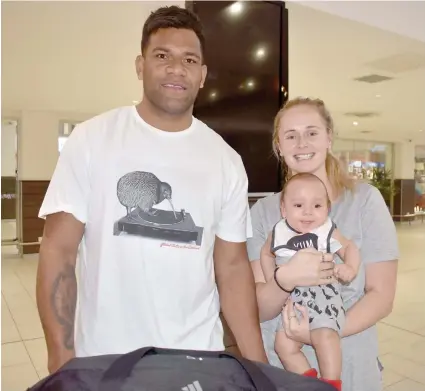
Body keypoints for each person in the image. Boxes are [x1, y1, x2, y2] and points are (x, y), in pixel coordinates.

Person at [36, 5, 267, 374]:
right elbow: (58, 250)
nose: (177, 68)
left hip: (197, 358)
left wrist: (258, 367)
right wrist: (61, 361)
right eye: (163, 56)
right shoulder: (92, 139)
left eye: (189, 59)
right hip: (105, 359)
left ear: (203, 75)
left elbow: (233, 267)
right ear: (141, 65)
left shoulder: (226, 161)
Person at [248, 97, 398, 391]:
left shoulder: (364, 202)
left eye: (312, 132)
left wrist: (322, 331)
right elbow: (259, 308)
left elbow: (382, 296)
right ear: (279, 146)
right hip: (282, 374)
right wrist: (284, 279)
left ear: (329, 137)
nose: (301, 143)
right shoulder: (263, 213)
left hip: (351, 368)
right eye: (290, 135)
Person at [260, 172, 360, 391]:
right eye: (298, 205)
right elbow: (266, 254)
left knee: (326, 337)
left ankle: (332, 384)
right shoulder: (278, 231)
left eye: (317, 206)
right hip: (293, 300)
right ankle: (310, 383)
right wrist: (273, 280)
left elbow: (350, 247)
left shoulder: (327, 231)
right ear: (284, 210)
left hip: (323, 297)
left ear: (327, 209)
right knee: (283, 346)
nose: (308, 212)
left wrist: (350, 267)